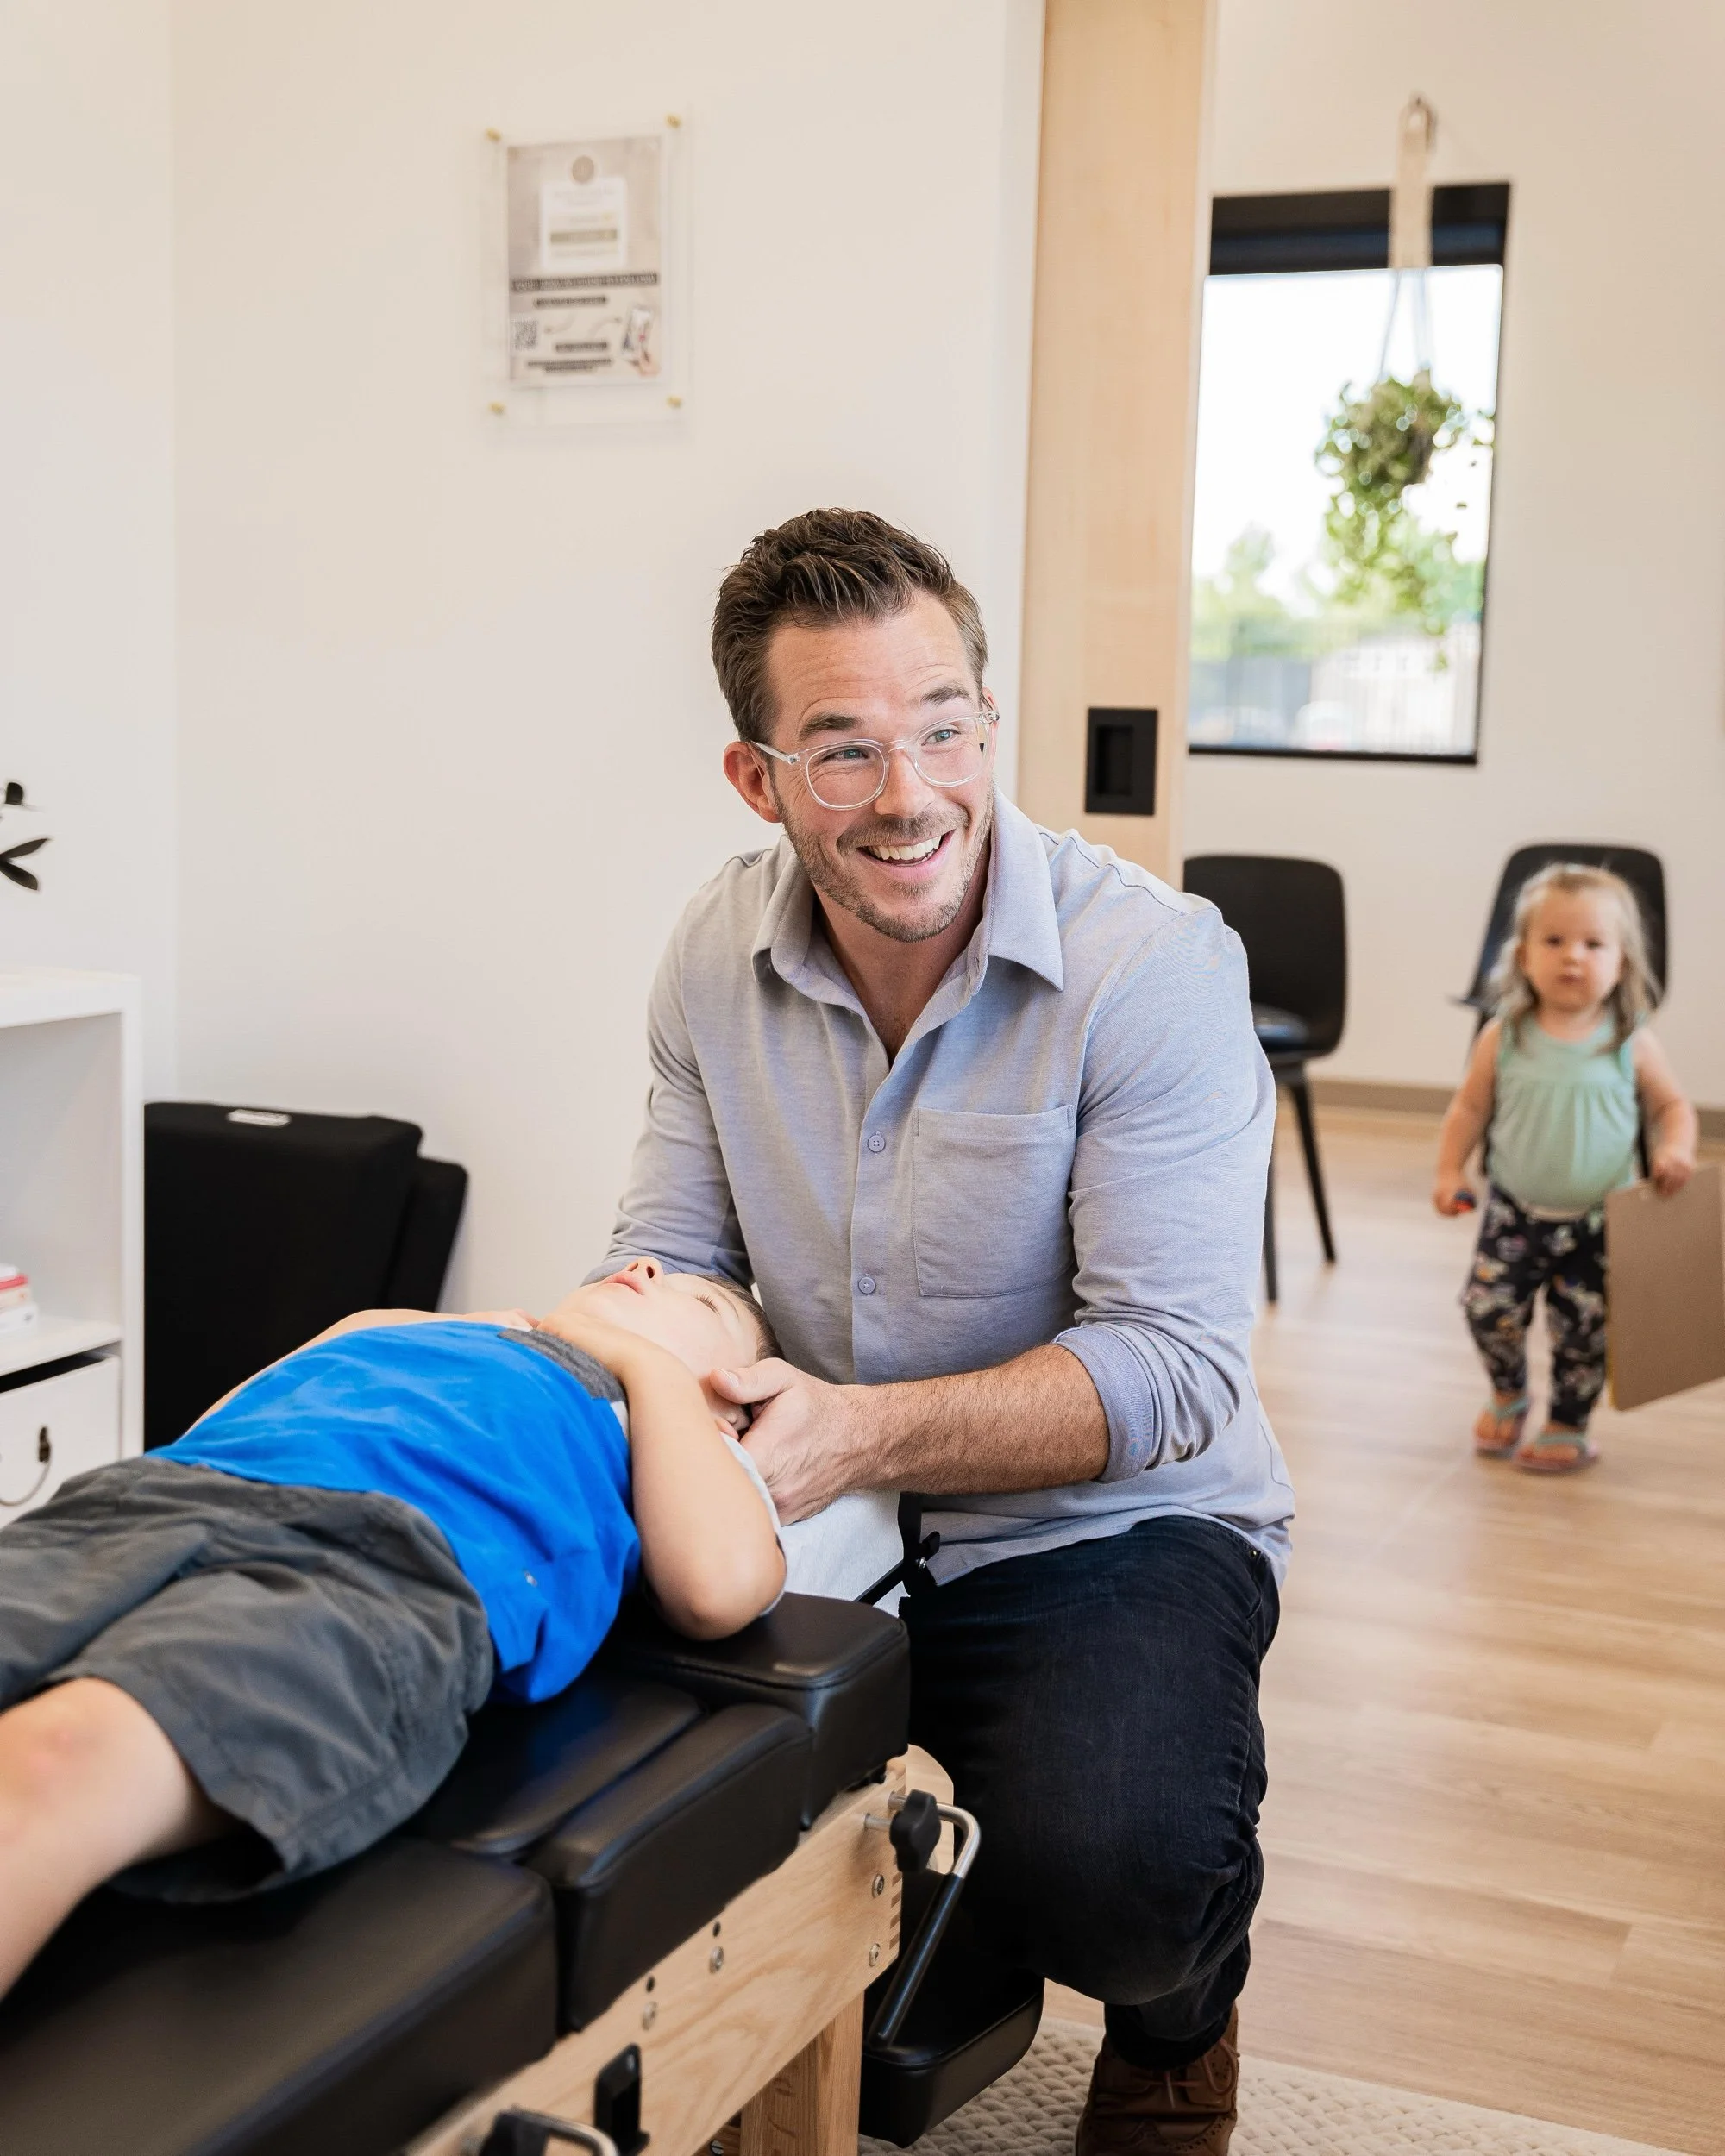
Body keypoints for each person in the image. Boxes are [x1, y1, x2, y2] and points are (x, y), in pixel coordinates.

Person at [599, 508, 1293, 2154]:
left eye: (942, 728)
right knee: (655, 1830)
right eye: (840, 749)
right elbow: (666, 1251)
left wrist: (856, 1428)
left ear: (990, 721)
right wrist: (650, 1360)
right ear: (757, 779)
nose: (908, 794)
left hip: (1109, 1522)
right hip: (825, 1507)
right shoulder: (713, 954)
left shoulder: (1156, 970)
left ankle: (1183, 2016)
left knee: (1111, 1877)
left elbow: (1177, 1374)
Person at [0, 1259, 787, 2001]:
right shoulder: (439, 1334)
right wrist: (397, 1324)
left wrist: (649, 1370)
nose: (647, 1266)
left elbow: (715, 1589)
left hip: (371, 1571)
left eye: (699, 1298)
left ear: (733, 1410)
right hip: (151, 1500)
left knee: (56, 1760)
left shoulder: (668, 1432)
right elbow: (212, 1428)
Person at [1433, 862, 1697, 1472]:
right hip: (1515, 1211)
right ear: (1523, 956)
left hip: (1599, 1221)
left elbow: (1672, 1106)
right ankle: (1509, 1391)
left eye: (1593, 944)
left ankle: (1568, 1424)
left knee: (1583, 1333)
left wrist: (1675, 1150)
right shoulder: (1505, 1035)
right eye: (1554, 941)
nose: (1572, 957)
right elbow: (1469, 1108)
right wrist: (1450, 1172)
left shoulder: (1630, 1038)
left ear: (1622, 962)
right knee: (1487, 1308)